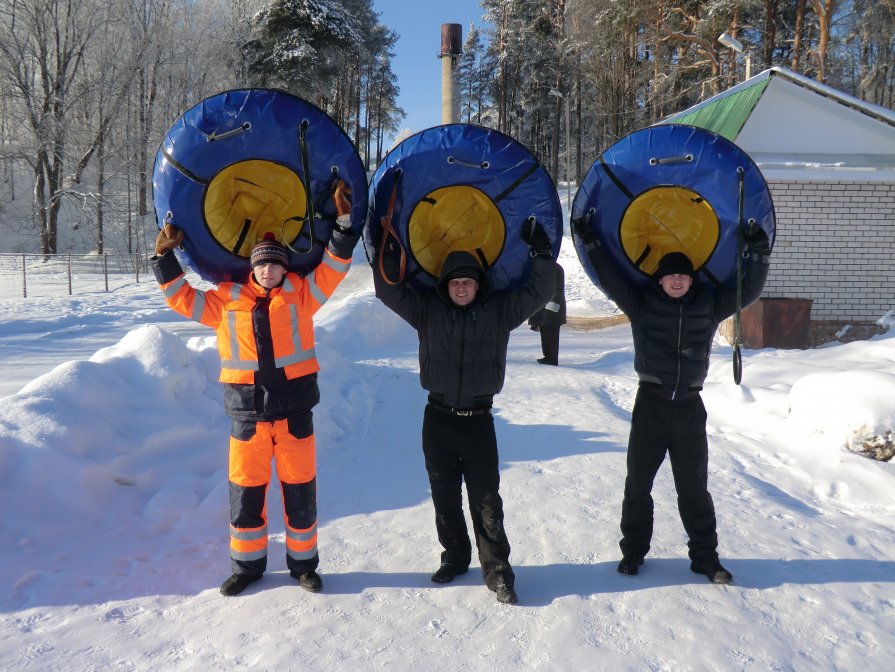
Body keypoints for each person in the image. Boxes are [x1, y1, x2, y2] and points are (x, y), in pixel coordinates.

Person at [151, 181, 358, 596]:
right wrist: (163, 257)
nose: (268, 270)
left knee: (300, 490)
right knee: (246, 492)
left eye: (275, 264)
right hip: (247, 416)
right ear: (253, 268)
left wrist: (344, 223)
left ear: (284, 268)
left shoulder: (303, 296)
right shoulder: (226, 303)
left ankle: (304, 566)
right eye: (262, 264)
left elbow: (335, 265)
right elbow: (181, 298)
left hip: (295, 413)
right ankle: (247, 567)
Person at [573, 219, 770, 584]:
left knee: (694, 489)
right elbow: (612, 278)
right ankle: (632, 554)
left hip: (689, 410)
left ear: (691, 280)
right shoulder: (641, 305)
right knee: (638, 485)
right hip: (651, 405)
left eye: (683, 276)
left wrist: (757, 251)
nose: (677, 281)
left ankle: (704, 558)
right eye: (670, 276)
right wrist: (591, 239)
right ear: (660, 280)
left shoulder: (710, 307)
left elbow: (749, 290)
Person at [373, 221, 557, 604]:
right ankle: (455, 558)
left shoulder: (499, 312)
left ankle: (498, 572)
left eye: (467, 282)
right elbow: (388, 290)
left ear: (478, 285)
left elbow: (539, 291)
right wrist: (387, 248)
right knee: (444, 497)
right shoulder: (428, 311)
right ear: (445, 286)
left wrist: (540, 254)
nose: (460, 287)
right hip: (437, 420)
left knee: (487, 501)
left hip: (479, 422)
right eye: (454, 282)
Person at [527, 263, 566, 365]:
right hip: (545, 308)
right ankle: (548, 356)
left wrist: (550, 308)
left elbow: (557, 290)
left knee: (550, 333)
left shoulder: (555, 268)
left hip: (553, 309)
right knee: (545, 332)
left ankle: (551, 358)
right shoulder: (547, 268)